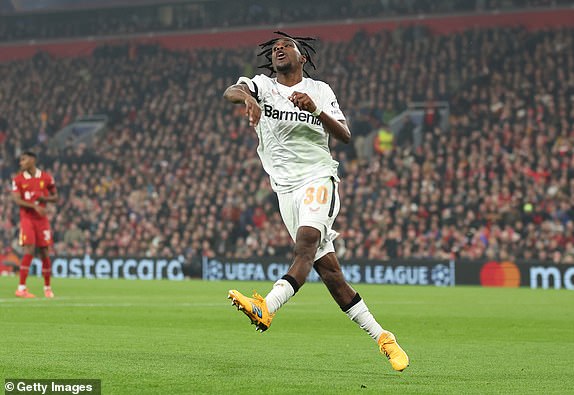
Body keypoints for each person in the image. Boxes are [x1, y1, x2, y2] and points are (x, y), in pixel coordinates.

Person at [223, 32, 409, 371]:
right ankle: (384, 337)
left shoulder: (320, 90)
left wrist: (317, 109)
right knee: (331, 275)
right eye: (275, 47)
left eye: (287, 45)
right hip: (285, 189)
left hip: (318, 178)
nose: (279, 47)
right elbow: (231, 91)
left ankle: (267, 307)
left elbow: (345, 135)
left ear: (302, 57)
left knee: (305, 245)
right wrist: (247, 100)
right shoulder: (262, 86)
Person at [11, 151, 58, 298]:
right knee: (29, 250)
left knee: (44, 252)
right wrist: (34, 206)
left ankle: (47, 288)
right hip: (27, 219)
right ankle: (21, 288)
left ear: (32, 160)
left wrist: (44, 199)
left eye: (23, 160)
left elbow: (55, 197)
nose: (21, 163)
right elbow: (17, 200)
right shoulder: (18, 179)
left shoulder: (46, 177)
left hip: (42, 220)